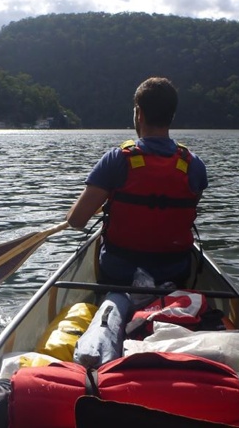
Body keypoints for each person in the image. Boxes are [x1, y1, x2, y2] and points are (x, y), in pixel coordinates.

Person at [66, 76, 208, 287]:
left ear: (139, 114)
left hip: (119, 275)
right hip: (175, 274)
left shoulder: (116, 160)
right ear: (172, 116)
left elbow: (76, 221)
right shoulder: (194, 165)